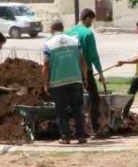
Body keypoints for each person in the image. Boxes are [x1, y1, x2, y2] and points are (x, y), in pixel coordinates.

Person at [42, 19, 87, 144]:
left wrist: (45, 84)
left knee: (61, 111)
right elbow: (83, 60)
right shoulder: (75, 41)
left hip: (57, 83)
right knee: (78, 109)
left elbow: (45, 65)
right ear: (63, 28)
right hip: (75, 80)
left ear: (52, 30)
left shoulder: (48, 44)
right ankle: (81, 136)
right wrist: (84, 78)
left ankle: (65, 137)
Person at [69, 9, 107, 137]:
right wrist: (100, 73)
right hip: (86, 71)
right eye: (91, 20)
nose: (92, 23)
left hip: (72, 71)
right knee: (94, 99)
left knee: (75, 100)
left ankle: (74, 128)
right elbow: (93, 55)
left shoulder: (69, 32)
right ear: (87, 18)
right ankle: (94, 129)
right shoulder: (88, 34)